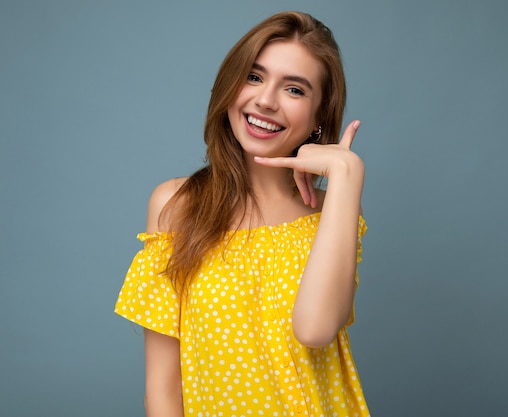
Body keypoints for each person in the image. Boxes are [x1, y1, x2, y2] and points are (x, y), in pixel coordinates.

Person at [115, 10, 370, 417]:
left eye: (295, 89)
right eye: (254, 77)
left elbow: (316, 329)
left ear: (320, 116)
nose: (265, 101)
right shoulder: (176, 205)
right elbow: (162, 390)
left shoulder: (331, 212)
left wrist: (347, 173)